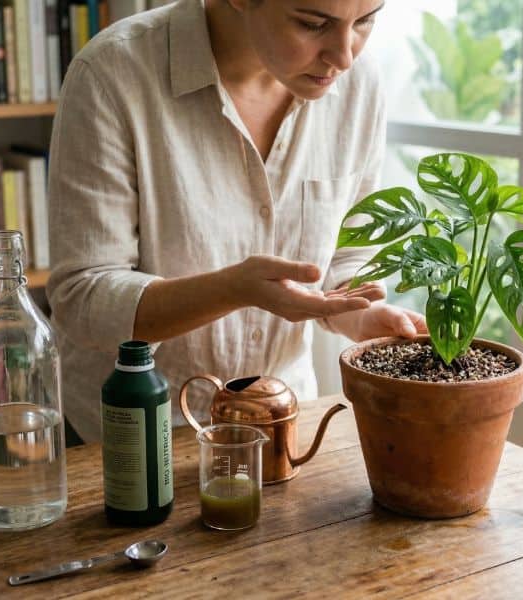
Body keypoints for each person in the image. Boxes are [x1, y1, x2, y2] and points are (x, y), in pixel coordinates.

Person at [47, 0, 427, 443]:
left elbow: (346, 257)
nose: (344, 56)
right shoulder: (113, 73)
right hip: (131, 439)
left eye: (365, 20)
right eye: (312, 24)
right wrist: (233, 290)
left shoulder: (358, 85)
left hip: (281, 424)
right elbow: (82, 299)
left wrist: (360, 317)